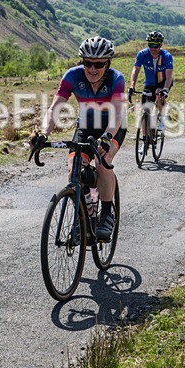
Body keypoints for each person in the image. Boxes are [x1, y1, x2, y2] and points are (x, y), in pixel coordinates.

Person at [39, 36, 125, 241]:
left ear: (107, 64)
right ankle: (85, 215)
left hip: (112, 127)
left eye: (99, 64)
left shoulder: (116, 79)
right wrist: (43, 134)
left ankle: (107, 214)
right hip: (86, 126)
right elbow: (54, 108)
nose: (92, 69)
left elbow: (116, 114)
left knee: (102, 161)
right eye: (88, 63)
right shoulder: (72, 76)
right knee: (74, 169)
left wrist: (107, 138)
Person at [128, 31, 174, 132]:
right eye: (151, 45)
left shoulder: (166, 56)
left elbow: (169, 75)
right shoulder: (142, 54)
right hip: (150, 83)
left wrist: (165, 89)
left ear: (161, 45)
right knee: (145, 110)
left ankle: (163, 118)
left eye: (156, 46)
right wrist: (132, 86)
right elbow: (135, 71)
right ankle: (145, 138)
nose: (153, 48)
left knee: (158, 93)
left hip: (164, 81)